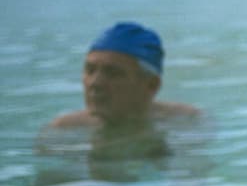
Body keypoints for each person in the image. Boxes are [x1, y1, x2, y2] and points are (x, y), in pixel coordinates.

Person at [42, 23, 201, 141]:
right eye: (90, 70)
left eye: (113, 73)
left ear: (151, 85)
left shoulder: (187, 122)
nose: (95, 83)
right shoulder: (62, 132)